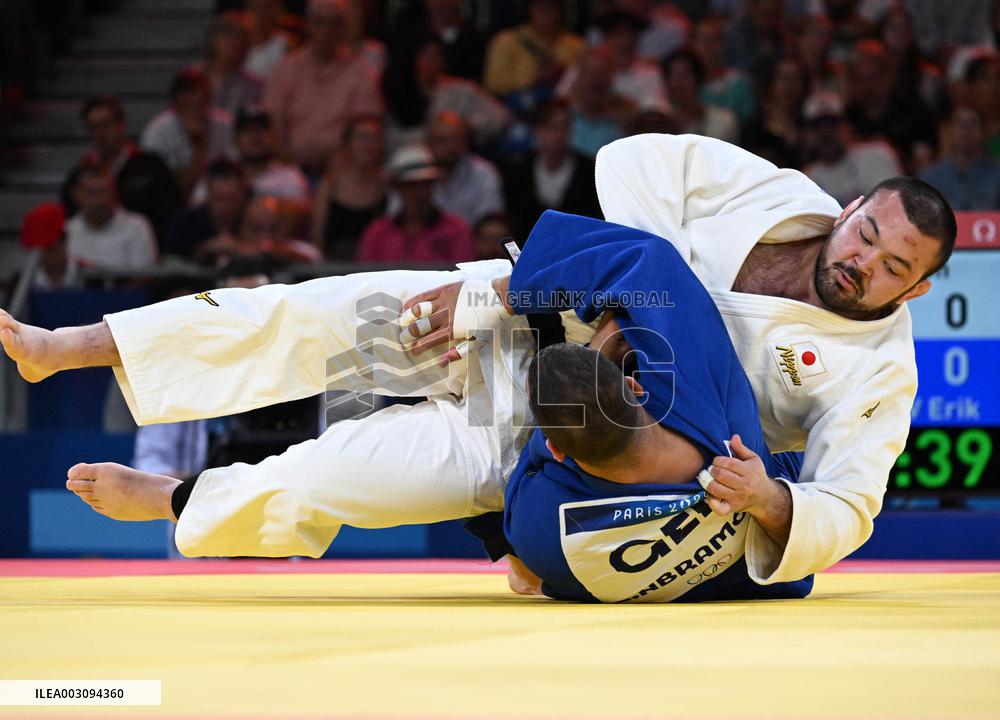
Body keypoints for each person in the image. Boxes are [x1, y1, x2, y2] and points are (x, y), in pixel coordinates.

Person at [0, 134, 956, 589]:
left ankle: (170, 501)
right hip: (507, 319)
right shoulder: (777, 196)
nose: (861, 260)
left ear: (913, 291)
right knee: (323, 317)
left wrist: (771, 502)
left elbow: (852, 503)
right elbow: (631, 160)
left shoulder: (879, 372)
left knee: (338, 477)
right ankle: (72, 347)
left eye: (890, 267)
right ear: (848, 208)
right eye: (865, 232)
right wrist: (609, 298)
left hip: (580, 439)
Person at [262, 0, 383, 175]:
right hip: (288, 168)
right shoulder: (284, 69)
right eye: (319, 22)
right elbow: (271, 125)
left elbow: (368, 132)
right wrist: (289, 159)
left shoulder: (363, 74)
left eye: (333, 23)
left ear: (344, 27)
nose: (326, 30)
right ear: (307, 25)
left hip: (343, 171)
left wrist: (334, 155)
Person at [67, 96, 180, 241]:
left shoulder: (152, 166)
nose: (100, 134)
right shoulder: (79, 177)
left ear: (121, 125)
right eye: (93, 128)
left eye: (106, 125)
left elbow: (170, 213)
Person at [502, 99, 602, 242]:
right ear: (536, 130)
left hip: (577, 250)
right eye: (550, 127)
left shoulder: (589, 171)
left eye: (564, 127)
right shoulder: (518, 171)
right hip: (529, 251)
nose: (557, 135)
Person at [356, 143, 474, 264]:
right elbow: (367, 278)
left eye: (424, 184)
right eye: (411, 186)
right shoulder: (378, 233)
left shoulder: (456, 230)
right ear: (398, 188)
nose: (419, 193)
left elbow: (463, 278)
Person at [140, 68, 237, 201]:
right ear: (174, 105)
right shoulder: (156, 133)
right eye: (187, 105)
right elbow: (172, 191)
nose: (195, 112)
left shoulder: (226, 125)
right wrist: (198, 145)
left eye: (201, 104)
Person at [190, 108, 309, 206]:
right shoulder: (216, 175)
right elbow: (197, 211)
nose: (255, 135)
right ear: (235, 139)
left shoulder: (290, 177)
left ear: (273, 137)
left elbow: (297, 220)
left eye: (261, 129)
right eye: (247, 130)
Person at [310, 114, 388, 261]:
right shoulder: (329, 186)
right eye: (361, 137)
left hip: (375, 269)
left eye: (374, 137)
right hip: (334, 268)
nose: (368, 144)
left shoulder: (388, 187)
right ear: (347, 144)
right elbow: (317, 240)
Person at [64, 164, 158, 273]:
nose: (100, 200)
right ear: (76, 195)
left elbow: (146, 275)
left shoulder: (137, 226)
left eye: (105, 192)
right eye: (92, 193)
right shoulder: (66, 231)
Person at [424, 111, 505, 227]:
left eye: (456, 139)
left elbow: (490, 225)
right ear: (428, 143)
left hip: (473, 243)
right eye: (441, 140)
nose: (450, 147)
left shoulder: (485, 174)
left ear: (466, 141)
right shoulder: (417, 177)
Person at [919, 105, 1000, 211]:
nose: (967, 130)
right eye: (960, 124)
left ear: (985, 130)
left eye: (973, 123)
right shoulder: (930, 177)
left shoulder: (997, 175)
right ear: (949, 131)